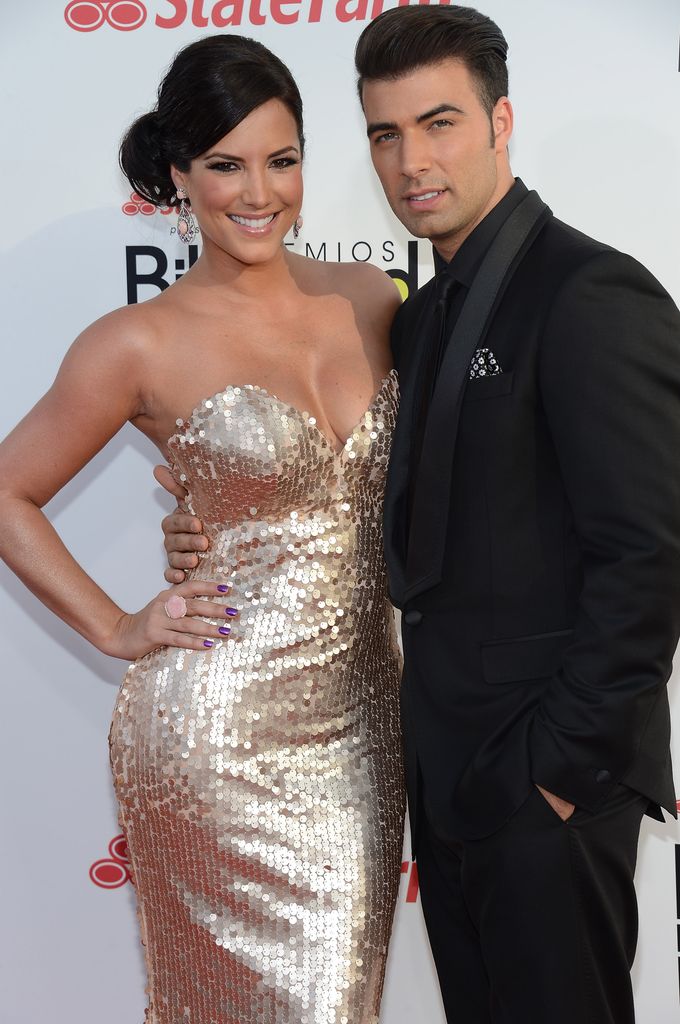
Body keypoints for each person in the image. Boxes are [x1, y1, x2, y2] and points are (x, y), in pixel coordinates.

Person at [162, 8, 680, 1023]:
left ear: (500, 123)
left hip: (541, 781)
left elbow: (649, 554)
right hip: (446, 779)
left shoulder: (587, 292)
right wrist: (214, 523)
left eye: (438, 123)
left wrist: (559, 771)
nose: (410, 162)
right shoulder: (424, 311)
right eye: (384, 134)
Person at [0, 34, 405, 1024]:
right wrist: (115, 624)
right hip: (212, 734)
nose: (256, 190)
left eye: (281, 158)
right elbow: (9, 491)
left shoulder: (371, 300)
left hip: (360, 728)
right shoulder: (136, 340)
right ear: (178, 176)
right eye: (224, 164)